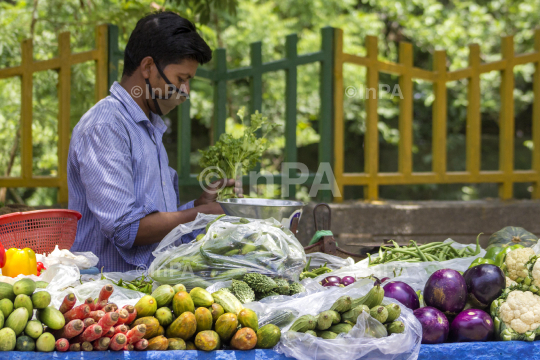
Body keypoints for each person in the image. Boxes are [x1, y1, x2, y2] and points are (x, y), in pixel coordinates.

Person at [67, 12, 241, 272]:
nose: (185, 91)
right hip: (106, 296)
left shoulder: (149, 127)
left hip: (145, 293)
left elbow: (156, 219)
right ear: (148, 67)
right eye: (181, 79)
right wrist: (203, 215)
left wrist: (198, 206)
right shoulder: (105, 125)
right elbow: (126, 229)